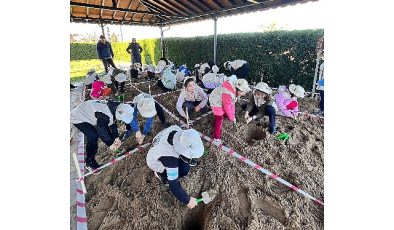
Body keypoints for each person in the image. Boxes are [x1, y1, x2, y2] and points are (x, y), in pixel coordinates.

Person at [146, 126, 204, 208]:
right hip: (156, 161)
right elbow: (173, 185)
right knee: (176, 174)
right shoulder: (171, 160)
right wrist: (187, 200)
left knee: (185, 168)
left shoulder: (177, 129)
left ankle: (186, 160)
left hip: (160, 144)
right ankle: (160, 175)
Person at [70, 100, 134, 172]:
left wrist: (116, 138)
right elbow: (101, 130)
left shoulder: (117, 107)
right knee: (93, 136)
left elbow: (113, 122)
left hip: (88, 111)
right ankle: (89, 162)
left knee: (104, 127)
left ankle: (115, 148)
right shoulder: (105, 115)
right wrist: (110, 143)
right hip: (78, 117)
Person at [209, 79, 251, 143]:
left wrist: (233, 115)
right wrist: (231, 117)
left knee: (226, 113)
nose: (244, 94)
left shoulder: (234, 92)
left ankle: (217, 122)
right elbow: (227, 107)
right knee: (219, 117)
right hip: (215, 100)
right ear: (239, 90)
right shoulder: (228, 93)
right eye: (244, 92)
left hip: (221, 99)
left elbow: (232, 104)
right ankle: (216, 138)